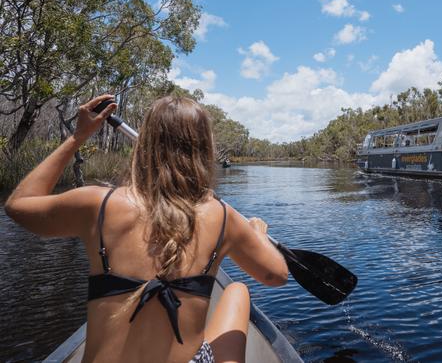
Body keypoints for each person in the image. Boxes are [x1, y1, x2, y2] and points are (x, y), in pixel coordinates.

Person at [5, 94, 288, 363]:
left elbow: (19, 204)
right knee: (238, 289)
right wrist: (257, 234)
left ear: (146, 144)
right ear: (205, 149)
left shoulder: (97, 203)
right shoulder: (222, 216)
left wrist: (78, 136)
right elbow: (276, 275)